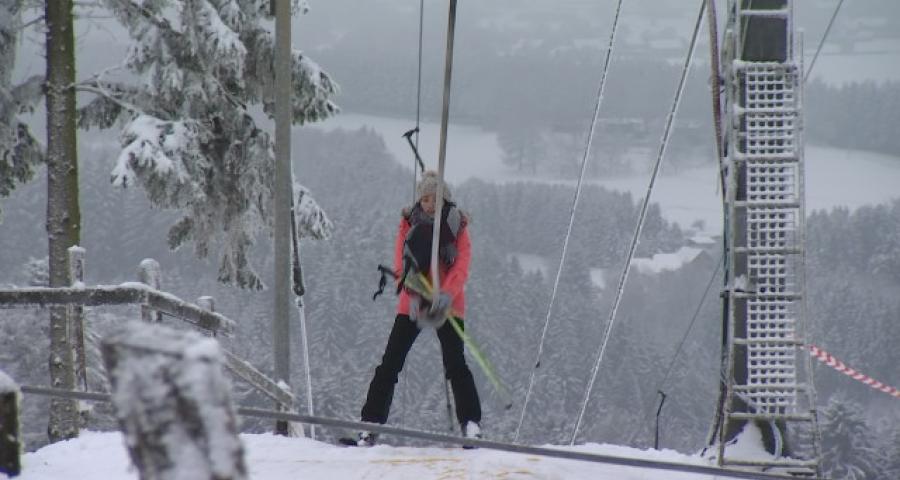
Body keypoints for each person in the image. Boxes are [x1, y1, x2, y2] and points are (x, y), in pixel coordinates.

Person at [355, 171, 482, 446]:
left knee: (455, 363)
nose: (428, 204)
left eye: (434, 199)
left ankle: (471, 424)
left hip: (448, 304)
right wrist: (412, 292)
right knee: (390, 363)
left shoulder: (457, 225)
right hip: (413, 302)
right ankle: (370, 424)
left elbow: (462, 265)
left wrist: (446, 294)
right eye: (424, 199)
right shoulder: (409, 222)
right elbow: (401, 262)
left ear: (444, 199)